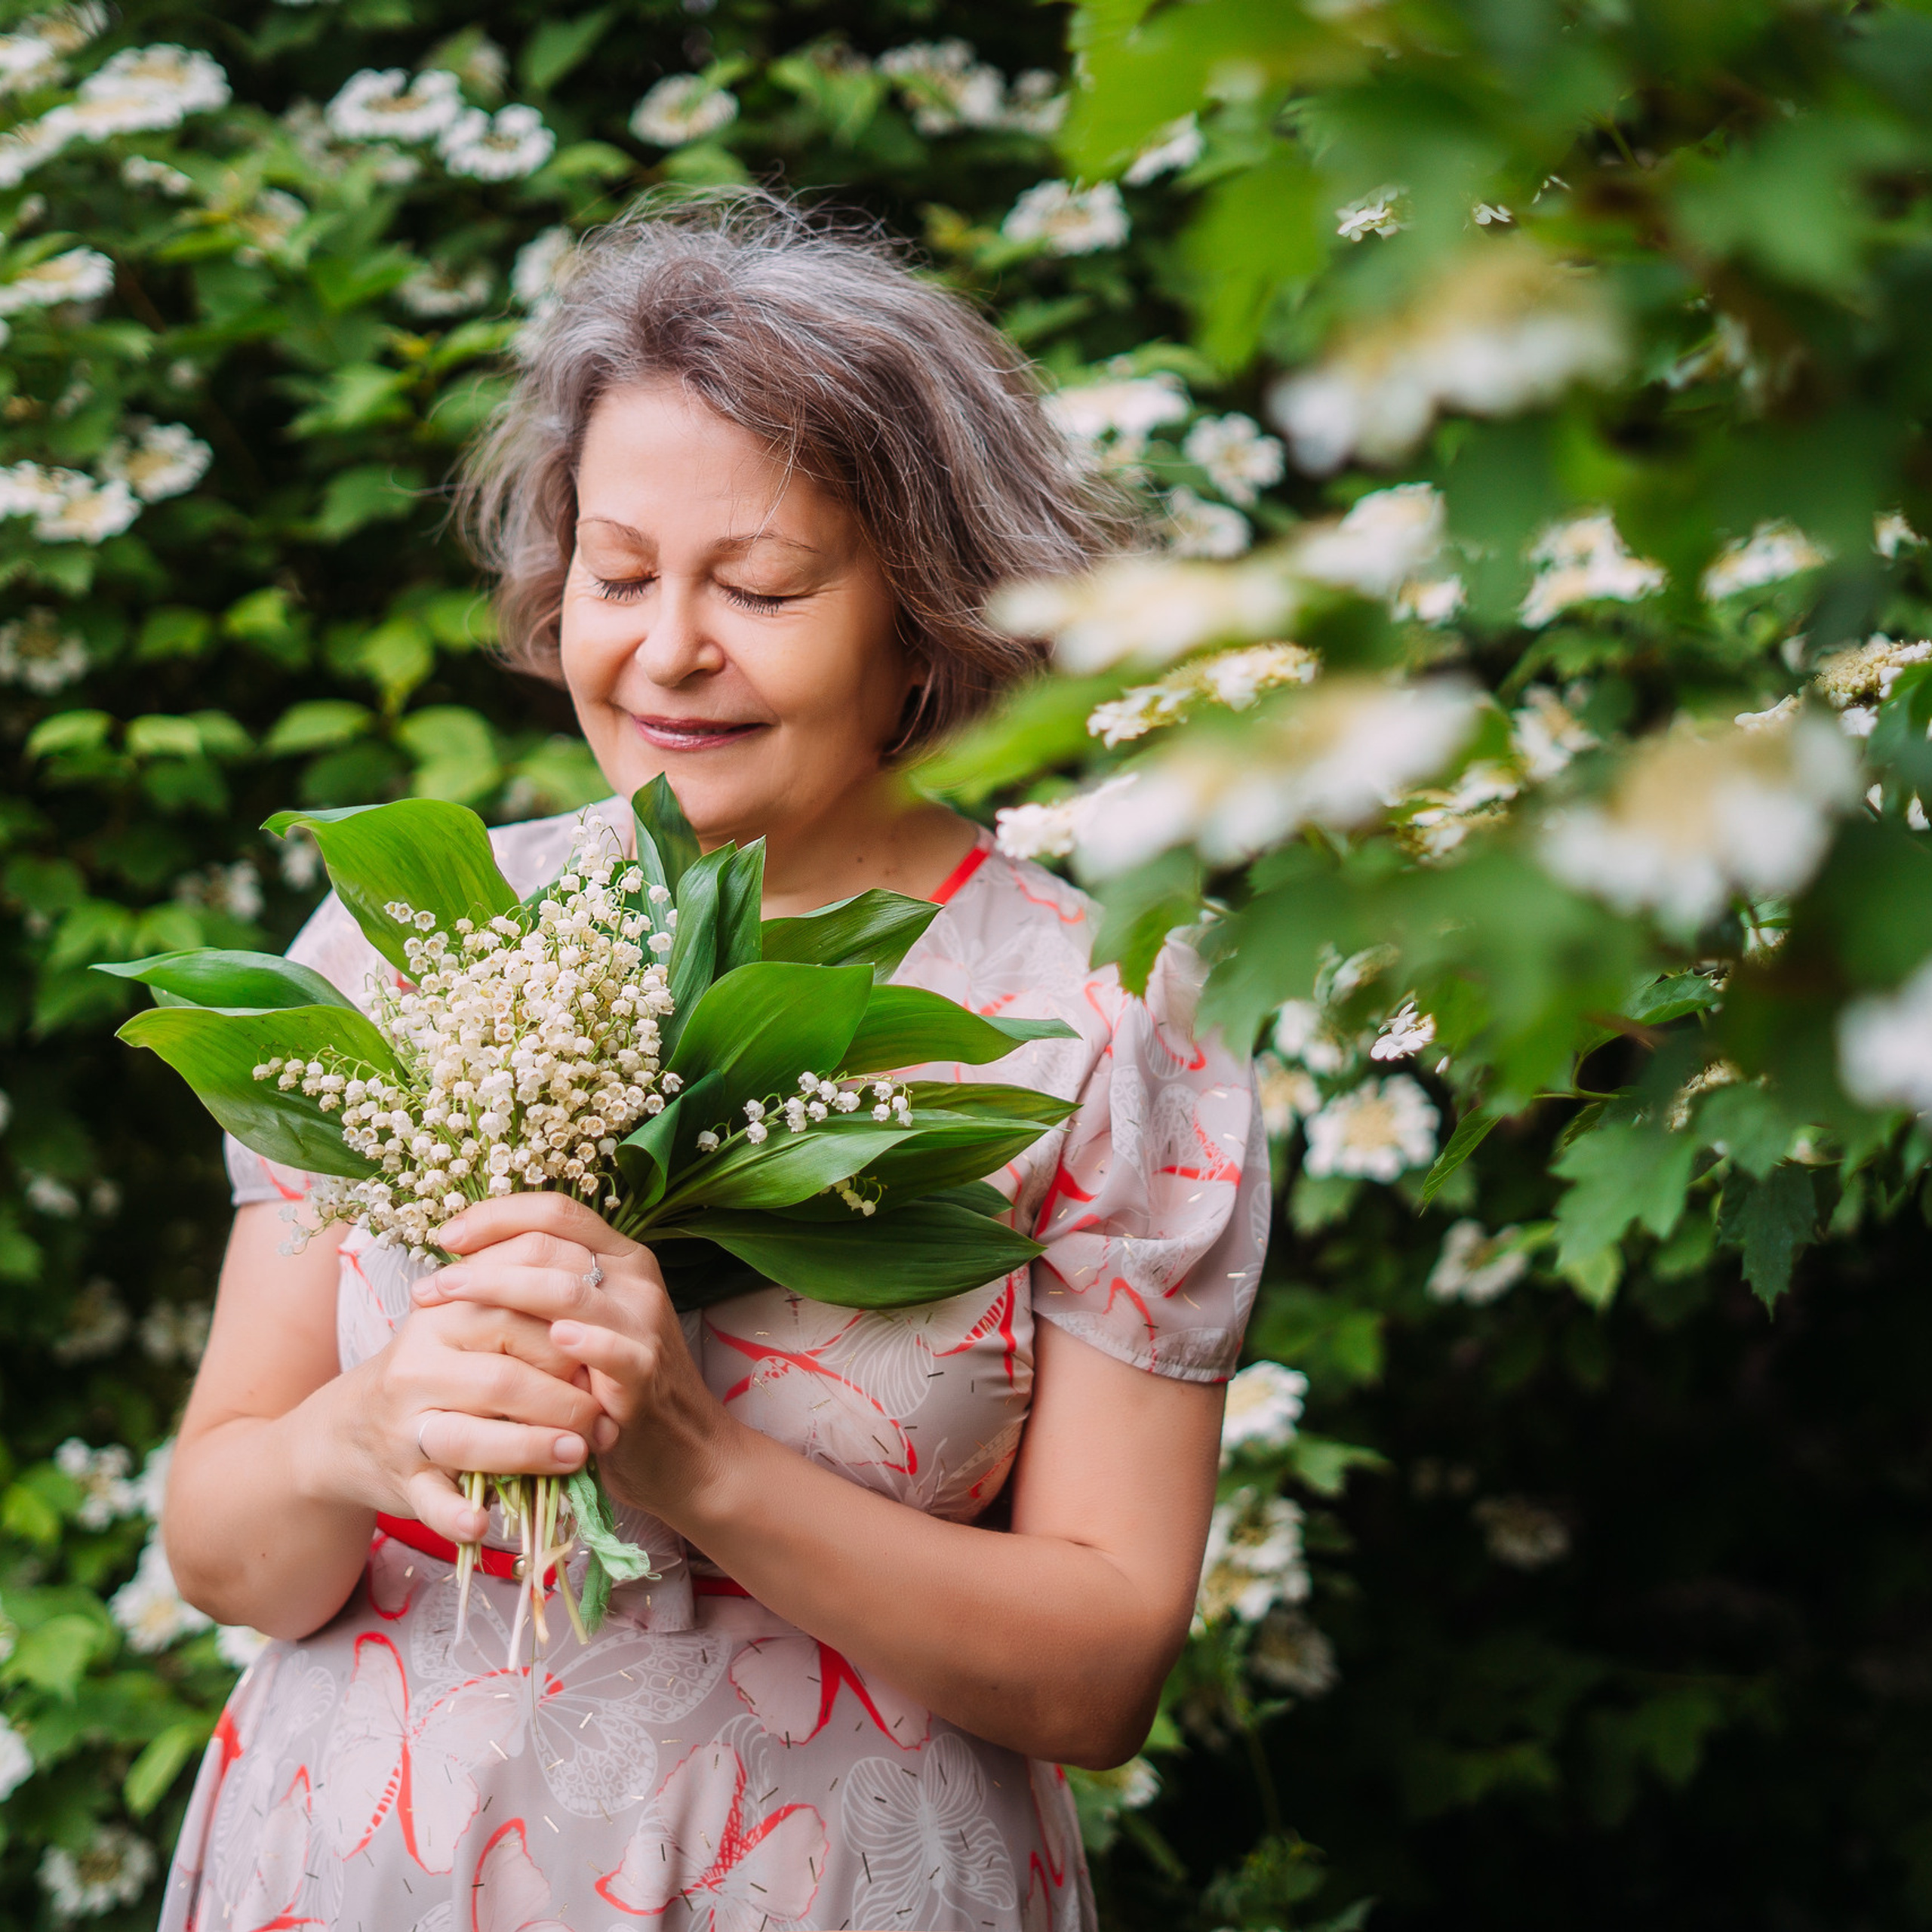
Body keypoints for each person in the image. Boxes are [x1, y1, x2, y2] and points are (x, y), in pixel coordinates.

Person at [157, 191, 1267, 1932]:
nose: (666, 650)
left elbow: (1101, 1670)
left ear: (928, 605)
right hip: (366, 1862)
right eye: (616, 575)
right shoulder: (415, 940)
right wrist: (347, 1440)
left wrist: (693, 1462)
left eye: (759, 587)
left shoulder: (1105, 1013)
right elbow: (223, 1538)